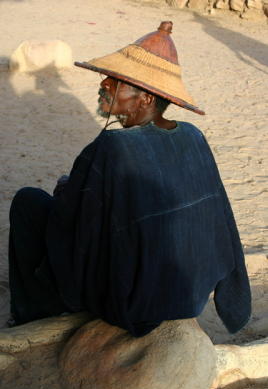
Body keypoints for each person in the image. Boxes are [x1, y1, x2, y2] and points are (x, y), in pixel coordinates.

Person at [8, 21, 251, 337]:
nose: (104, 85)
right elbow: (219, 219)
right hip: (188, 296)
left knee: (29, 202)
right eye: (109, 79)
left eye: (116, 82)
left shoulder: (112, 146)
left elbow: (72, 222)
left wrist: (68, 188)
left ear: (147, 98)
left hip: (134, 303)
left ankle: (32, 314)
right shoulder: (193, 136)